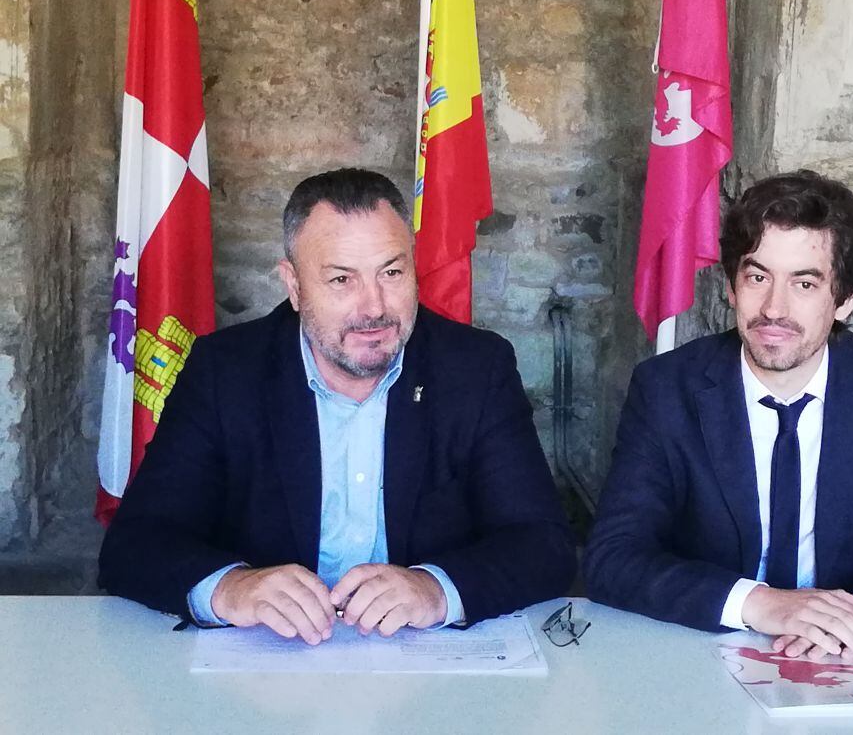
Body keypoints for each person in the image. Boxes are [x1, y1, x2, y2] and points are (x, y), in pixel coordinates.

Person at [100, 168, 575, 644]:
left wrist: (437, 589)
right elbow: (134, 544)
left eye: (391, 273)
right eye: (341, 279)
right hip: (268, 666)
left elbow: (543, 544)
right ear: (293, 284)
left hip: (422, 661)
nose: (373, 308)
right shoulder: (225, 372)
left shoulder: (476, 369)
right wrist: (231, 587)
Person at [585, 170, 853, 661]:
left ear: (845, 300)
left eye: (804, 283)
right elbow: (612, 557)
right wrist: (761, 605)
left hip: (851, 653)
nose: (774, 309)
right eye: (758, 277)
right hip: (706, 647)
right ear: (731, 287)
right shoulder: (666, 387)